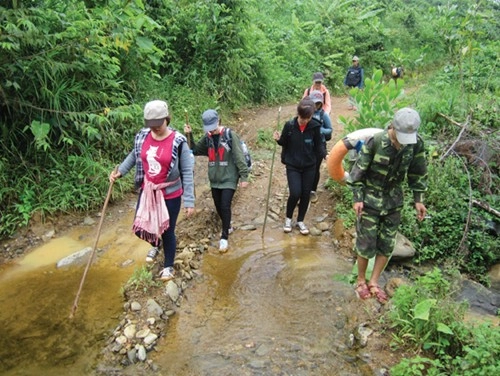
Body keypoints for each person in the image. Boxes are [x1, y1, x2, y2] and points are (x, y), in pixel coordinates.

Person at [347, 107, 428, 304]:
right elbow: (358, 172)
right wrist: (358, 198)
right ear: (393, 127)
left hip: (394, 202)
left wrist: (418, 200)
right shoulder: (376, 141)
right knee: (366, 242)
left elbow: (418, 172)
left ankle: (374, 282)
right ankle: (360, 280)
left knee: (387, 243)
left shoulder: (415, 145)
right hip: (370, 200)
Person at [109, 100, 195, 281]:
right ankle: (156, 244)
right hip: (148, 191)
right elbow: (134, 154)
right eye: (151, 125)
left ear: (167, 119)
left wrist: (189, 201)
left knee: (167, 230)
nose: (155, 129)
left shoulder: (178, 141)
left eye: (159, 124)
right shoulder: (143, 136)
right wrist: (120, 172)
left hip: (170, 194)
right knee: (141, 226)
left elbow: (187, 171)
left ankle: (168, 265)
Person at [184, 109, 249, 252]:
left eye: (213, 128)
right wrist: (189, 135)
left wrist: (244, 176)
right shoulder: (207, 138)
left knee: (225, 206)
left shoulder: (230, 135)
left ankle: (224, 236)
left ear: (218, 121)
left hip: (229, 178)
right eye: (209, 128)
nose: (211, 131)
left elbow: (239, 157)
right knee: (218, 206)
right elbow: (194, 150)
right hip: (215, 179)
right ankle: (228, 225)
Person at [274, 98, 326, 235]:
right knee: (295, 192)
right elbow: (283, 142)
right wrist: (278, 138)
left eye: (307, 118)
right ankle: (288, 219)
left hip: (310, 166)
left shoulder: (315, 126)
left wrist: (325, 154)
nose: (304, 121)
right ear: (298, 113)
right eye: (302, 118)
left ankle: (300, 220)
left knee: (305, 194)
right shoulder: (289, 126)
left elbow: (320, 144)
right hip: (293, 165)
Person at [308, 90, 333, 203]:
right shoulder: (306, 112)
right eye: (313, 103)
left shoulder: (324, 115)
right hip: (307, 144)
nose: (315, 105)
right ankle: (305, 189)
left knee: (315, 168)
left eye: (317, 103)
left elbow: (330, 130)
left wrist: (320, 130)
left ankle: (312, 190)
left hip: (319, 145)